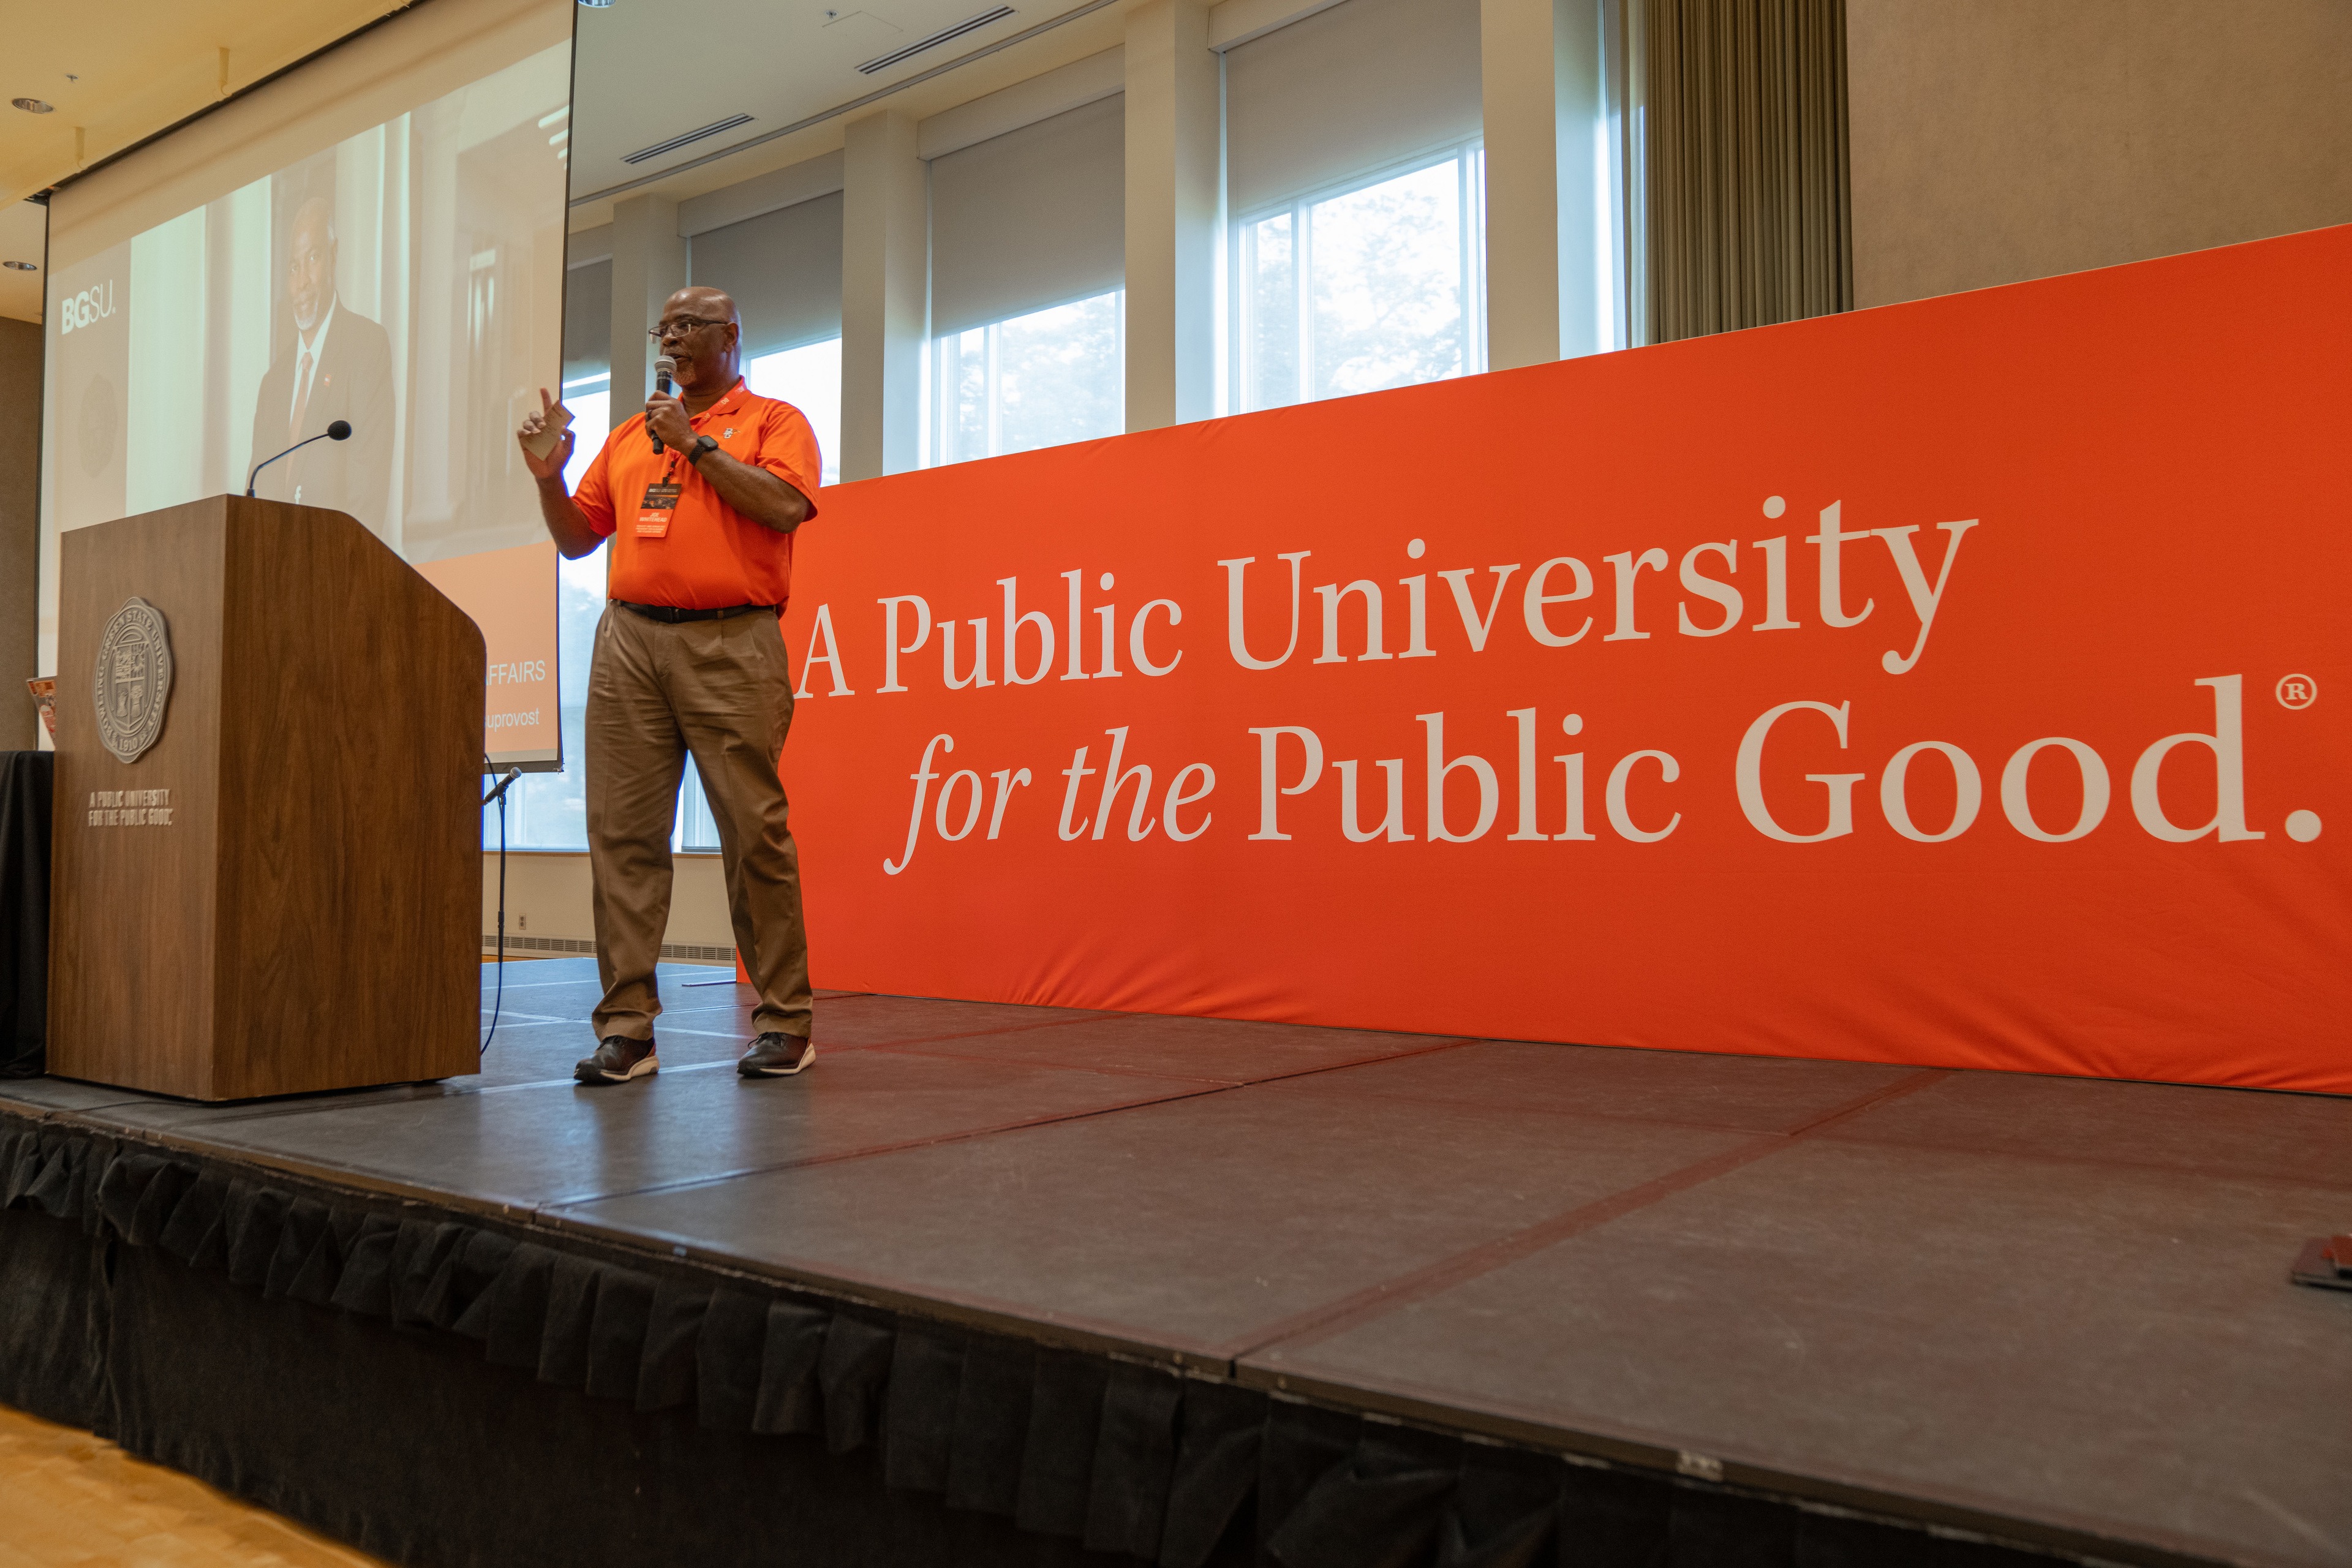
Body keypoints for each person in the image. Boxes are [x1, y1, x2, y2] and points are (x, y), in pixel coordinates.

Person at [514, 285, 820, 1084]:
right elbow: (581, 541)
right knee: (622, 838)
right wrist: (549, 477)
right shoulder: (628, 436)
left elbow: (786, 507)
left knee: (754, 832)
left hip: (732, 641)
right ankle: (628, 1028)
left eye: (690, 326)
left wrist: (698, 448)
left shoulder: (773, 422)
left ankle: (786, 1021)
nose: (673, 339)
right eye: (666, 327)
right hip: (628, 644)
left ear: (732, 334)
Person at [249, 196, 393, 535]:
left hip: (335, 575)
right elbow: (256, 498)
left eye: (312, 258)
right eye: (294, 267)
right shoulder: (273, 382)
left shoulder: (366, 347)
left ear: (333, 255)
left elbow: (367, 497)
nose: (302, 282)